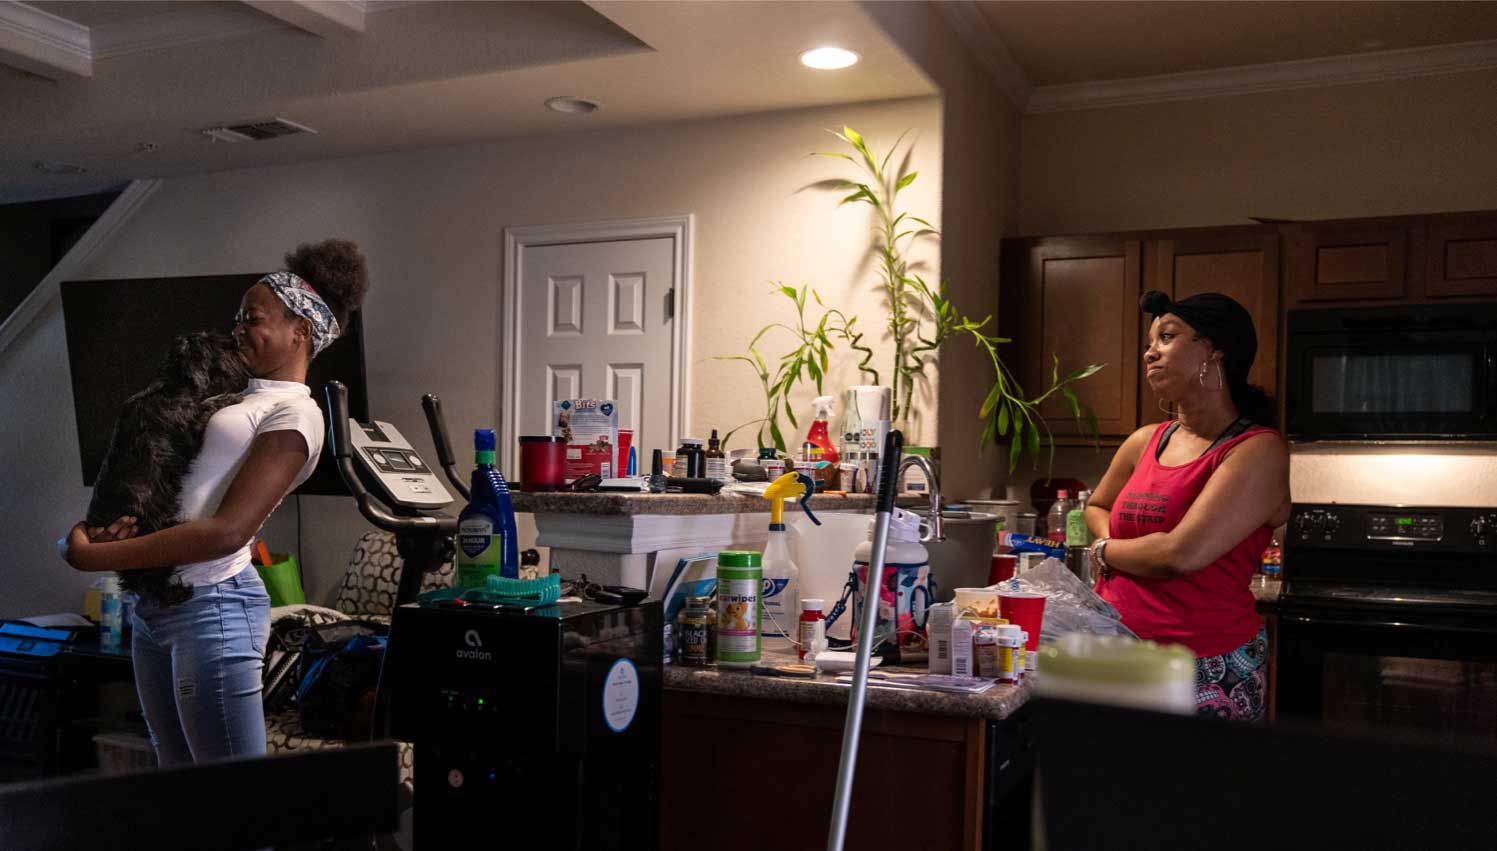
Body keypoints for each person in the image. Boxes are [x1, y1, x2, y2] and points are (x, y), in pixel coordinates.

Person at [65, 239, 369, 764]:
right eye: (238, 317)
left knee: (231, 803)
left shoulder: (295, 415)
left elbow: (228, 531)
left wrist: (93, 557)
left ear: (300, 331)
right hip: (156, 606)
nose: (237, 328)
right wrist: (113, 529)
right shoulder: (237, 395)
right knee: (178, 782)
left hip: (214, 607)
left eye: (252, 318)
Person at [1084, 290, 1290, 722]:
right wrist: (1117, 541)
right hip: (1113, 655)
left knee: (1192, 790)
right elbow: (1097, 506)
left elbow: (1180, 554)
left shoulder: (1255, 451)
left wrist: (1105, 552)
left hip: (1204, 668)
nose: (1149, 354)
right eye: (1148, 344)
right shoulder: (1145, 441)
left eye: (1166, 337)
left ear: (1214, 350)